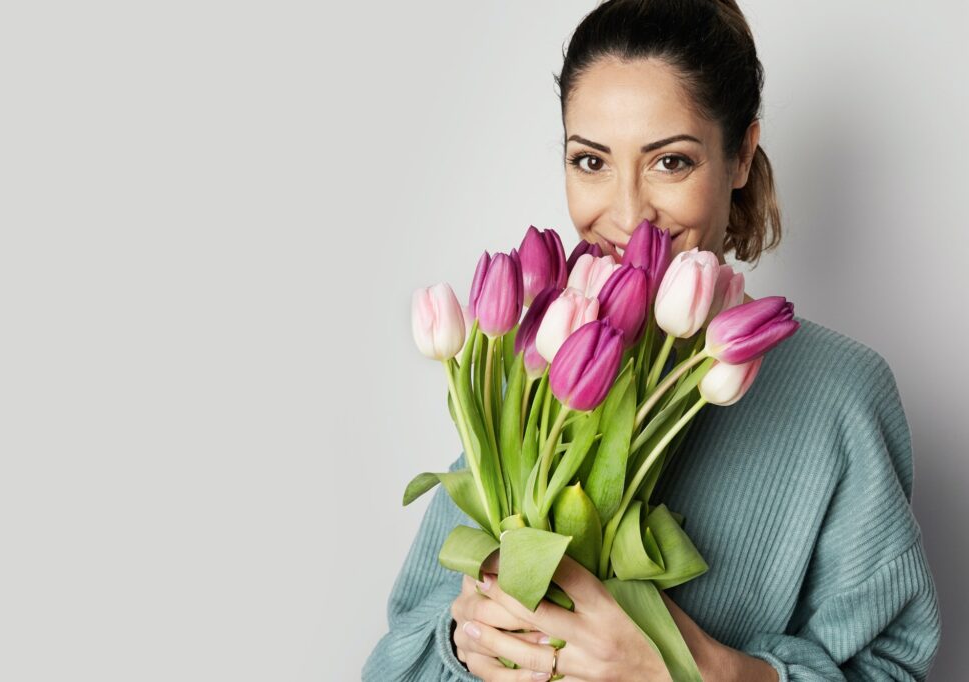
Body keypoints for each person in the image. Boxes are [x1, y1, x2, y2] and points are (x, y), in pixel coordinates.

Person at [363, 0, 942, 680]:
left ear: (741, 156)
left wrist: (692, 670)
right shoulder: (534, 359)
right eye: (590, 161)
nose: (629, 212)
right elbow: (399, 655)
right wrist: (468, 643)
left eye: (670, 162)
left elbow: (892, 668)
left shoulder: (839, 393)